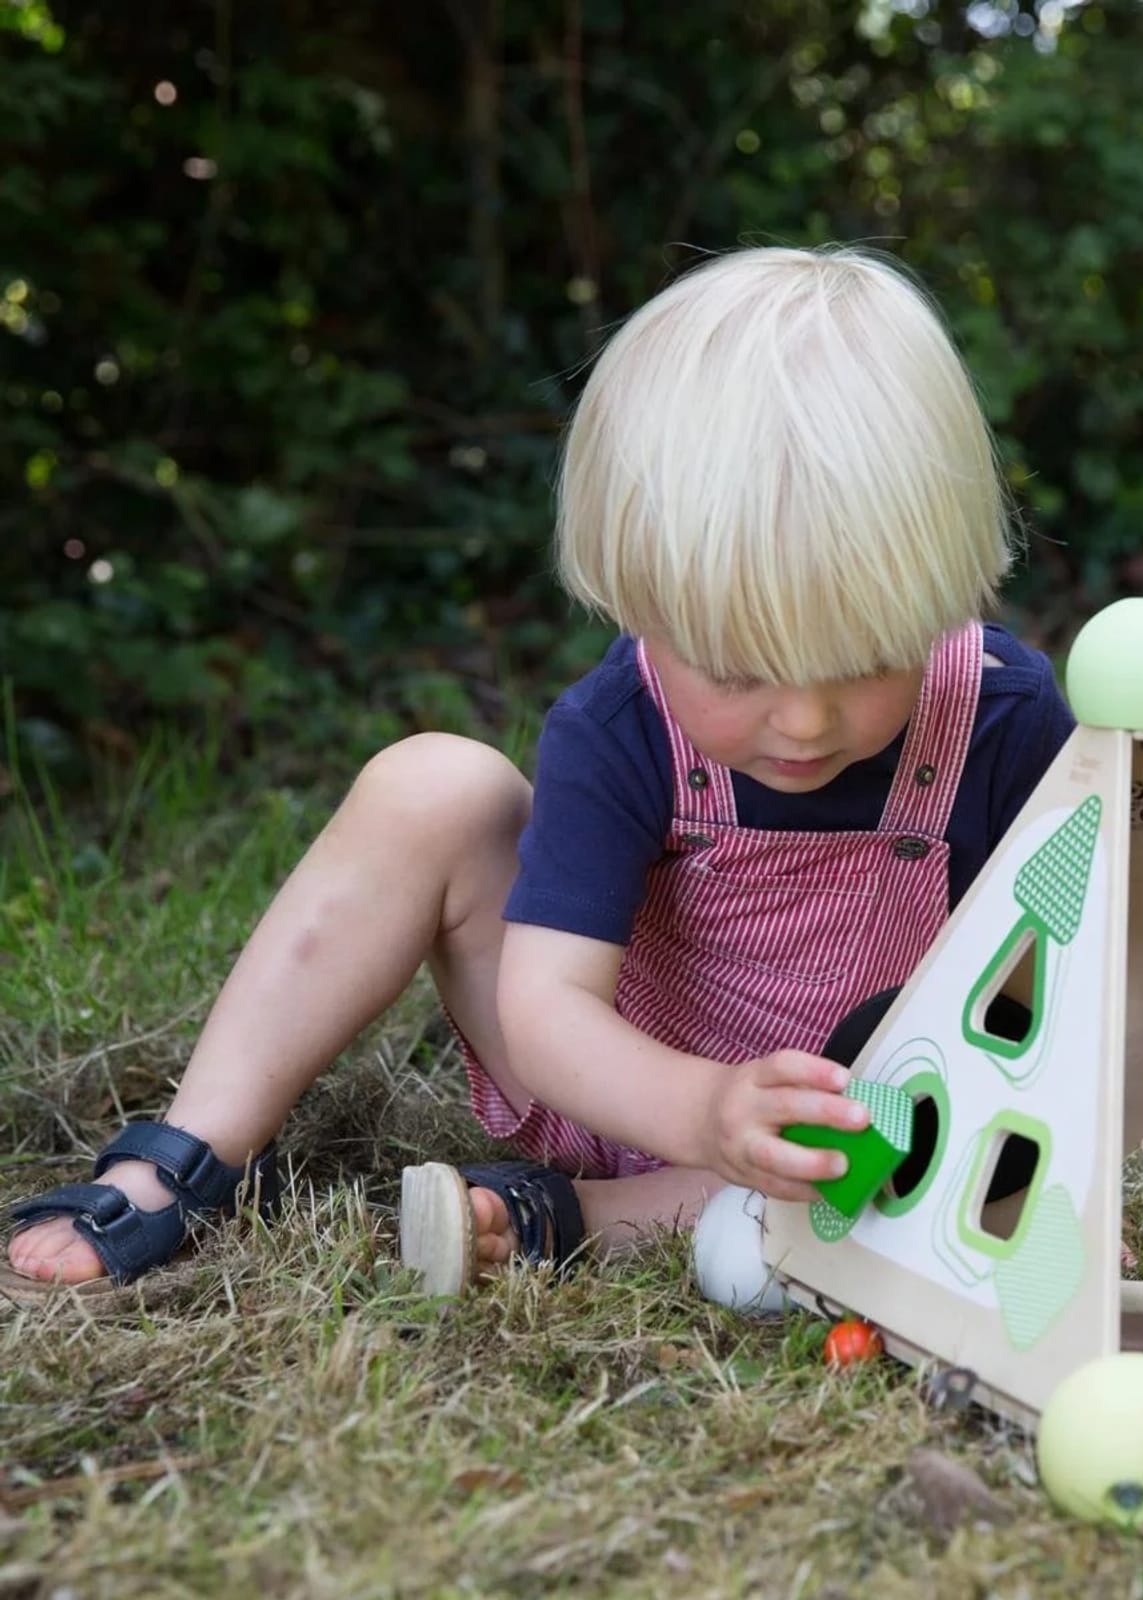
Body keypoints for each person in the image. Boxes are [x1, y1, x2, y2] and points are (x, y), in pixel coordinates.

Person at [4, 245, 1073, 1300]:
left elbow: (1072, 999)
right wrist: (703, 1108)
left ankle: (571, 1221)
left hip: (860, 1142)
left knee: (899, 1165)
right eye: (738, 669)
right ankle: (183, 1159)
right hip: (610, 1081)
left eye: (859, 662)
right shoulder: (623, 724)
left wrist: (1009, 1179)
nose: (801, 720)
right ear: (642, 602)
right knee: (431, 785)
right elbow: (549, 1010)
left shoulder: (1001, 720)